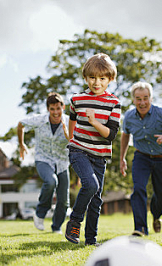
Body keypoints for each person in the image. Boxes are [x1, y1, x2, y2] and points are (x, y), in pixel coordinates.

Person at [65, 53, 121, 246]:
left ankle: (91, 240)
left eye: (102, 78)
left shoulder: (114, 103)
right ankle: (74, 221)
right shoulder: (76, 99)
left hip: (100, 156)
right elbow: (72, 118)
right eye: (92, 78)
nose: (97, 83)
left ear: (110, 79)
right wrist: (71, 139)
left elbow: (111, 135)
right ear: (85, 78)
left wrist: (94, 122)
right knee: (91, 185)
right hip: (79, 150)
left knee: (96, 200)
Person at [120, 81, 162, 236]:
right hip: (141, 157)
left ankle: (156, 216)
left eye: (145, 98)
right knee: (139, 189)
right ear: (133, 99)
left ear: (150, 98)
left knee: (161, 195)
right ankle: (141, 228)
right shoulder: (129, 116)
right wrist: (121, 158)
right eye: (138, 98)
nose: (142, 102)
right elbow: (125, 135)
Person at [17, 92, 70, 233]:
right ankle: (40, 214)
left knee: (64, 200)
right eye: (52, 109)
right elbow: (21, 124)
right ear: (48, 109)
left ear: (63, 107)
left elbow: (74, 141)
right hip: (43, 160)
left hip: (62, 163)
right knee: (51, 181)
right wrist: (21, 144)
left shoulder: (70, 122)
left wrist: (66, 131)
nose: (55, 112)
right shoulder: (39, 120)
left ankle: (56, 227)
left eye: (58, 108)